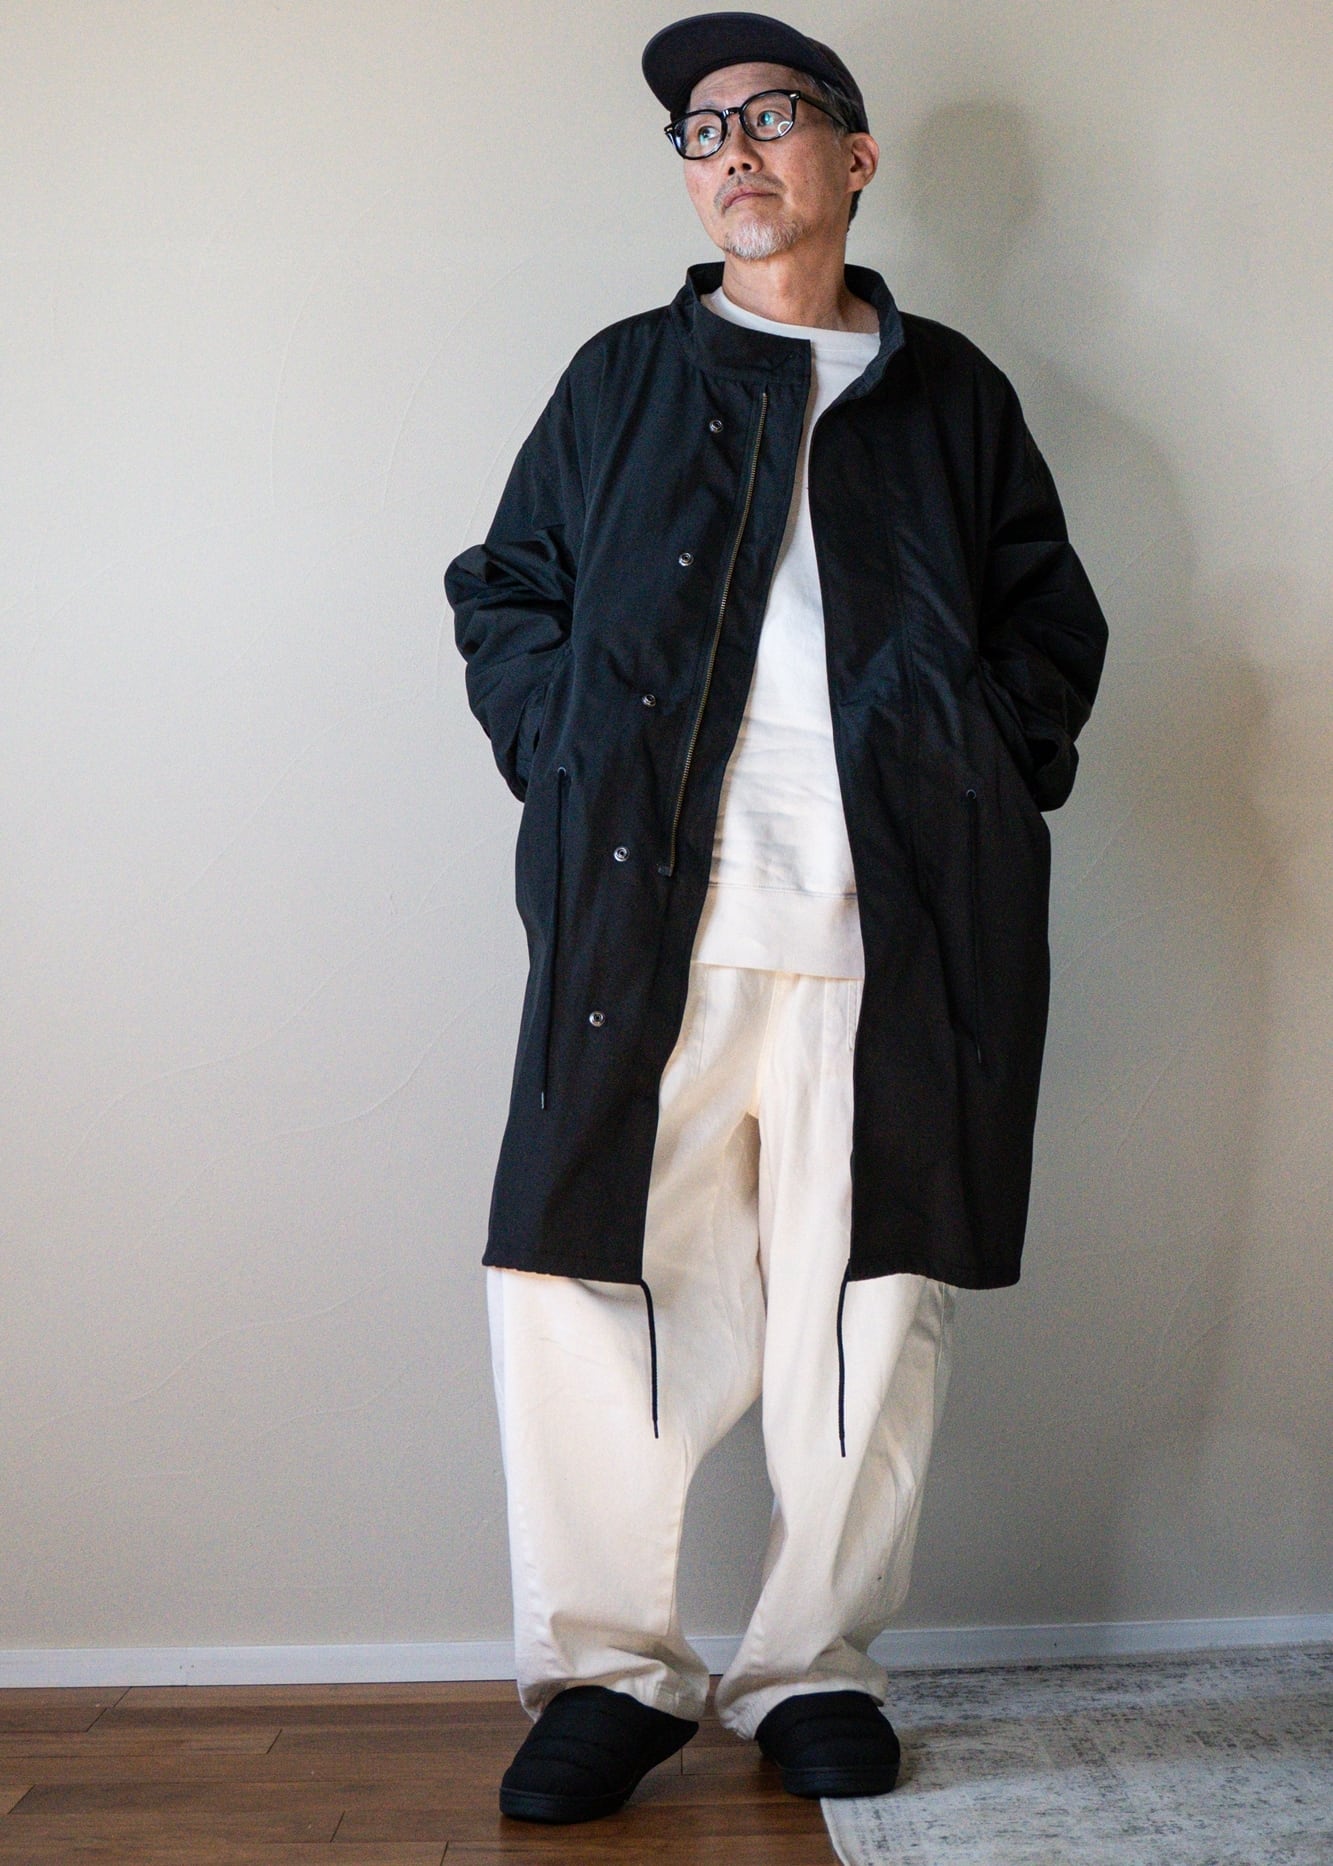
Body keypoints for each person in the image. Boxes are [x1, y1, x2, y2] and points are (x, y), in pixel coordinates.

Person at [446, 7, 1108, 1827]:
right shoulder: (622, 378)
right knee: (581, 1285)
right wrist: (561, 747)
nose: (729, 148)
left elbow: (1050, 619)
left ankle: (814, 1663)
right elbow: (505, 587)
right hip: (645, 919)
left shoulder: (951, 394)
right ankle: (609, 1673)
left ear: (852, 158)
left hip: (897, 929)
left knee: (865, 1306)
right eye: (698, 129)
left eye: (770, 114)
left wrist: (984, 765)